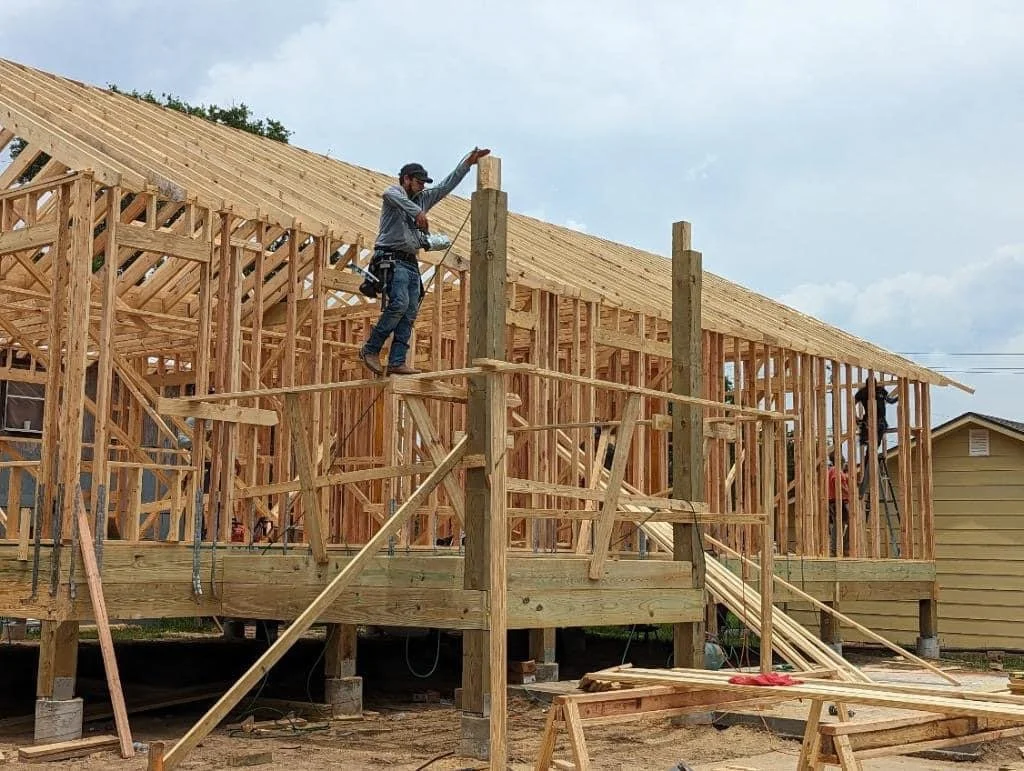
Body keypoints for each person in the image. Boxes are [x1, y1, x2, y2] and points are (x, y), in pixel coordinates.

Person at [359, 147, 491, 376]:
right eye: (418, 182)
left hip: (409, 262)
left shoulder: (423, 198)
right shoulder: (395, 193)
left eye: (423, 183)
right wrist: (417, 213)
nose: (422, 186)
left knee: (410, 311)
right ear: (406, 179)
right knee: (398, 304)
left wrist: (467, 164)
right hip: (391, 258)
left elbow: (445, 187)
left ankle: (396, 361)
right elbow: (388, 195)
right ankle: (370, 349)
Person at [854, 380, 898, 449]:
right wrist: (855, 417)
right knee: (870, 439)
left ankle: (870, 451)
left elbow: (890, 401)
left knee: (876, 441)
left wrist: (899, 397)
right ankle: (869, 448)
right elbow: (851, 404)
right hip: (870, 420)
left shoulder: (880, 391)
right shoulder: (863, 392)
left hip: (880, 419)